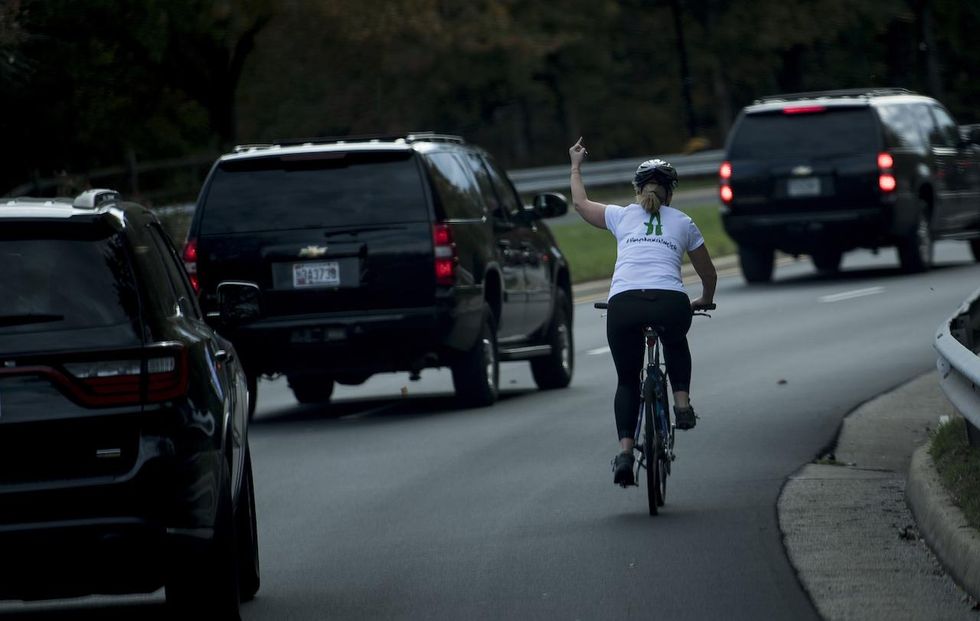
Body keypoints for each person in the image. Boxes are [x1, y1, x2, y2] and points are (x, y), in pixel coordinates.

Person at [568, 137, 717, 487]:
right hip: (670, 302)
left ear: (638, 189)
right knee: (676, 339)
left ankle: (624, 452)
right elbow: (707, 272)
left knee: (626, 379)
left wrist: (575, 165)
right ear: (671, 193)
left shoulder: (620, 216)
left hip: (624, 304)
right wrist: (705, 298)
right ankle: (681, 406)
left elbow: (579, 203)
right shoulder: (683, 221)